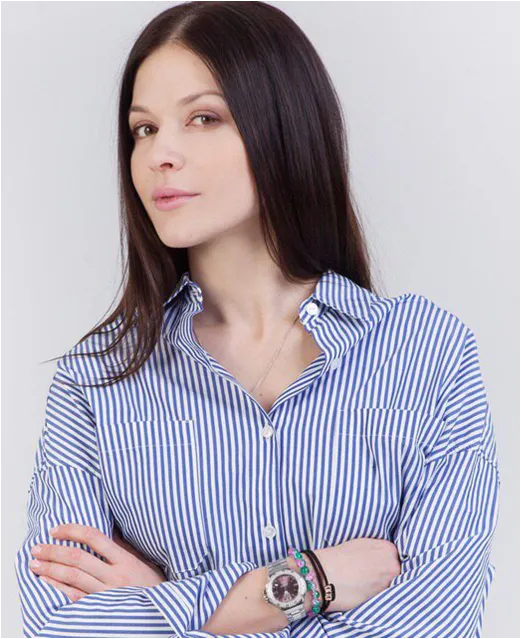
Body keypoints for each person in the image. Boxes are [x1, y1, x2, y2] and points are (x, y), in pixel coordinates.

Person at [15, 2, 500, 638]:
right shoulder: (96, 379)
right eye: (144, 129)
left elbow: (438, 620)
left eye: (204, 118)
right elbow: (60, 624)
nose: (160, 154)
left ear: (283, 129)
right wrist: (308, 582)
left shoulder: (426, 351)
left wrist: (162, 603)